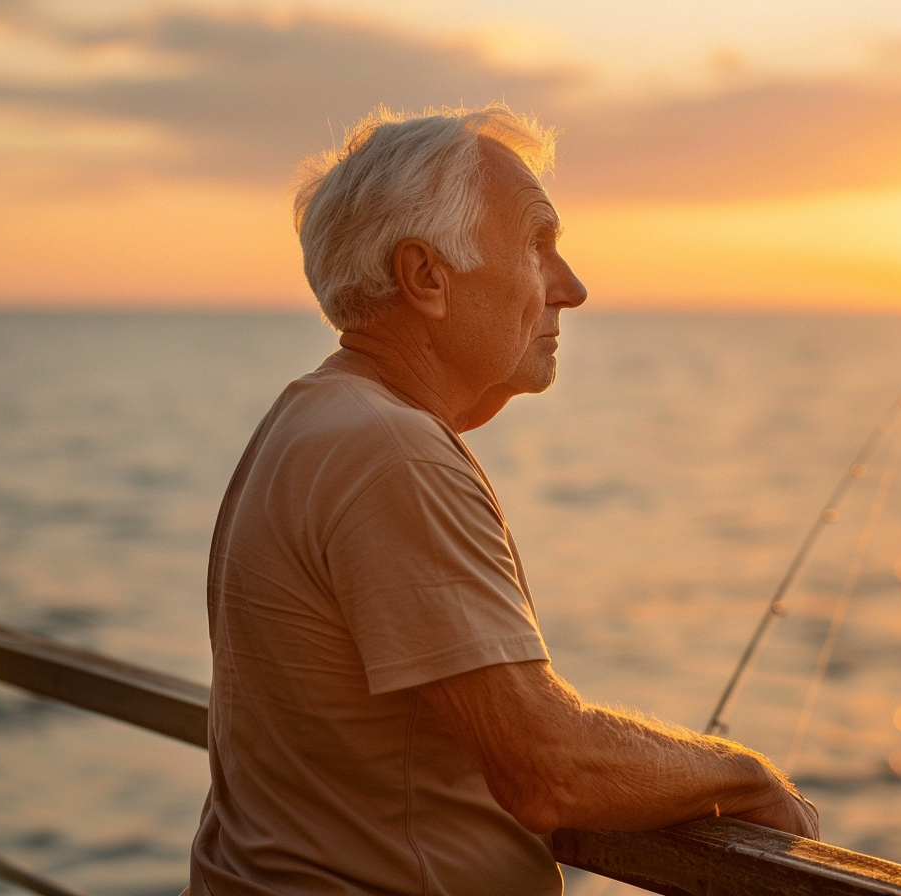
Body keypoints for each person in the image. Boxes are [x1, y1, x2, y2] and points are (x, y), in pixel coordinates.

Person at [189, 102, 818, 896]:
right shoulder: (390, 451)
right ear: (425, 277)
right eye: (538, 244)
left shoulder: (313, 415)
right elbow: (547, 769)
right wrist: (750, 779)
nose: (573, 288)